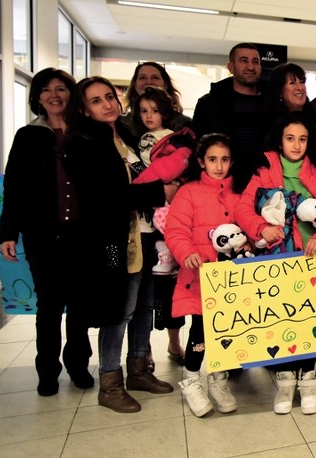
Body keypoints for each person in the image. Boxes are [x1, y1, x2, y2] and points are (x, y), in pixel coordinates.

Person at [64, 76, 176, 413]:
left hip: (142, 236)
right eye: (96, 100)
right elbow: (106, 197)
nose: (107, 104)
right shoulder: (84, 143)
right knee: (118, 310)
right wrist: (161, 193)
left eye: (109, 97)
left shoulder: (127, 136)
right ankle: (110, 383)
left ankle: (139, 369)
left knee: (144, 305)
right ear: (83, 108)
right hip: (110, 242)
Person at [235, 111, 316, 413]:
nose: (296, 144)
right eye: (290, 138)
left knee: (310, 321)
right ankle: (286, 381)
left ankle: (308, 379)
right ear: (280, 139)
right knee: (284, 322)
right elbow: (242, 208)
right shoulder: (263, 171)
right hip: (280, 261)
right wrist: (260, 227)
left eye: (302, 139)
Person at [0, 68, 94, 397]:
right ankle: (47, 371)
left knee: (81, 305)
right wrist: (7, 232)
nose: (54, 95)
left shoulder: (86, 134)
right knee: (49, 306)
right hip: (42, 235)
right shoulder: (28, 135)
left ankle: (79, 364)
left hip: (82, 235)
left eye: (61, 89)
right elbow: (15, 186)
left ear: (71, 94)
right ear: (37, 97)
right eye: (46, 90)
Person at [164, 133, 242, 417]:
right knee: (200, 328)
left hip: (232, 279)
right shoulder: (189, 192)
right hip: (200, 275)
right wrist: (185, 253)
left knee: (227, 329)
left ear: (232, 161)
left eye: (224, 159)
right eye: (212, 160)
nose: (219, 166)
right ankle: (192, 378)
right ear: (201, 161)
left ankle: (218, 379)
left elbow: (247, 224)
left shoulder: (239, 191)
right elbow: (176, 228)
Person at [121, 62, 192, 369]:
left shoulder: (179, 132)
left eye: (155, 78)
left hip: (168, 224)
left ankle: (174, 343)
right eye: (142, 78)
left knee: (169, 287)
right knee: (135, 292)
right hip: (135, 227)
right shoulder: (124, 130)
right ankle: (140, 351)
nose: (148, 115)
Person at [193, 42, 266, 194]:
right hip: (222, 188)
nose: (251, 67)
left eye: (255, 61)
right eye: (244, 60)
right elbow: (199, 148)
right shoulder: (209, 104)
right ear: (231, 67)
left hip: (264, 186)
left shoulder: (272, 104)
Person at [122, 61, 190, 138]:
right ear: (135, 85)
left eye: (155, 78)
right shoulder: (122, 123)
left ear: (165, 84)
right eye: (142, 78)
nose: (148, 82)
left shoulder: (183, 123)